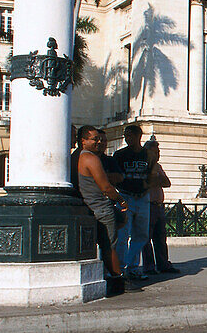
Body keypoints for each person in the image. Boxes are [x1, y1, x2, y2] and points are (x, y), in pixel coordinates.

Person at [74, 125, 140, 295]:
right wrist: (122, 201)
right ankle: (117, 279)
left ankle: (106, 275)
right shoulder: (91, 158)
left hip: (86, 207)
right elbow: (106, 187)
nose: (98, 141)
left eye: (99, 138)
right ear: (82, 140)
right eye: (93, 139)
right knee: (109, 246)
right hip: (101, 207)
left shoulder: (74, 157)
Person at [113, 124, 153, 279]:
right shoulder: (120, 155)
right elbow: (115, 175)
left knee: (140, 235)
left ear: (138, 136)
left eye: (130, 135)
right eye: (125, 135)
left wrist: (147, 189)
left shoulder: (147, 155)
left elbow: (151, 174)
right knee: (122, 235)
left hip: (143, 197)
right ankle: (120, 268)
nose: (127, 138)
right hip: (125, 196)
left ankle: (133, 267)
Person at [141, 137, 178, 274]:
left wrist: (156, 178)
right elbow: (147, 183)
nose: (158, 155)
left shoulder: (158, 167)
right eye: (155, 152)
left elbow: (167, 182)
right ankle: (149, 266)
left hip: (158, 205)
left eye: (158, 152)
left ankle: (163, 264)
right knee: (146, 238)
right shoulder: (143, 166)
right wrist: (155, 179)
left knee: (161, 237)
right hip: (147, 205)